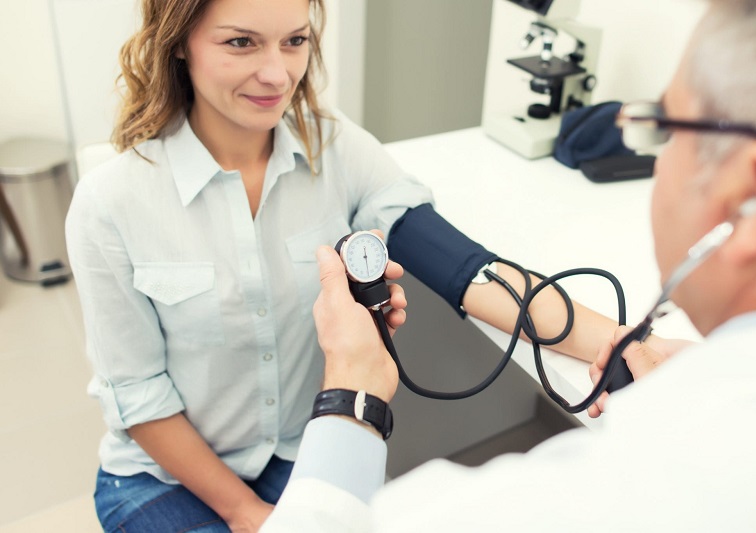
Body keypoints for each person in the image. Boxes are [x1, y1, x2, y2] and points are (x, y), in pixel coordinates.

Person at [65, 0, 621, 530]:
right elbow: (138, 397)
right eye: (241, 43)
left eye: (294, 41)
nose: (277, 75)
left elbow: (470, 270)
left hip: (300, 451)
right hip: (163, 478)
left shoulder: (338, 150)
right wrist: (248, 515)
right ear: (179, 42)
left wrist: (624, 343)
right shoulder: (110, 203)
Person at [259, 0, 756, 531]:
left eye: (663, 128)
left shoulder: (614, 490)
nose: (274, 72)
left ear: (755, 193)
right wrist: (682, 356)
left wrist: (354, 384)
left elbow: (469, 267)